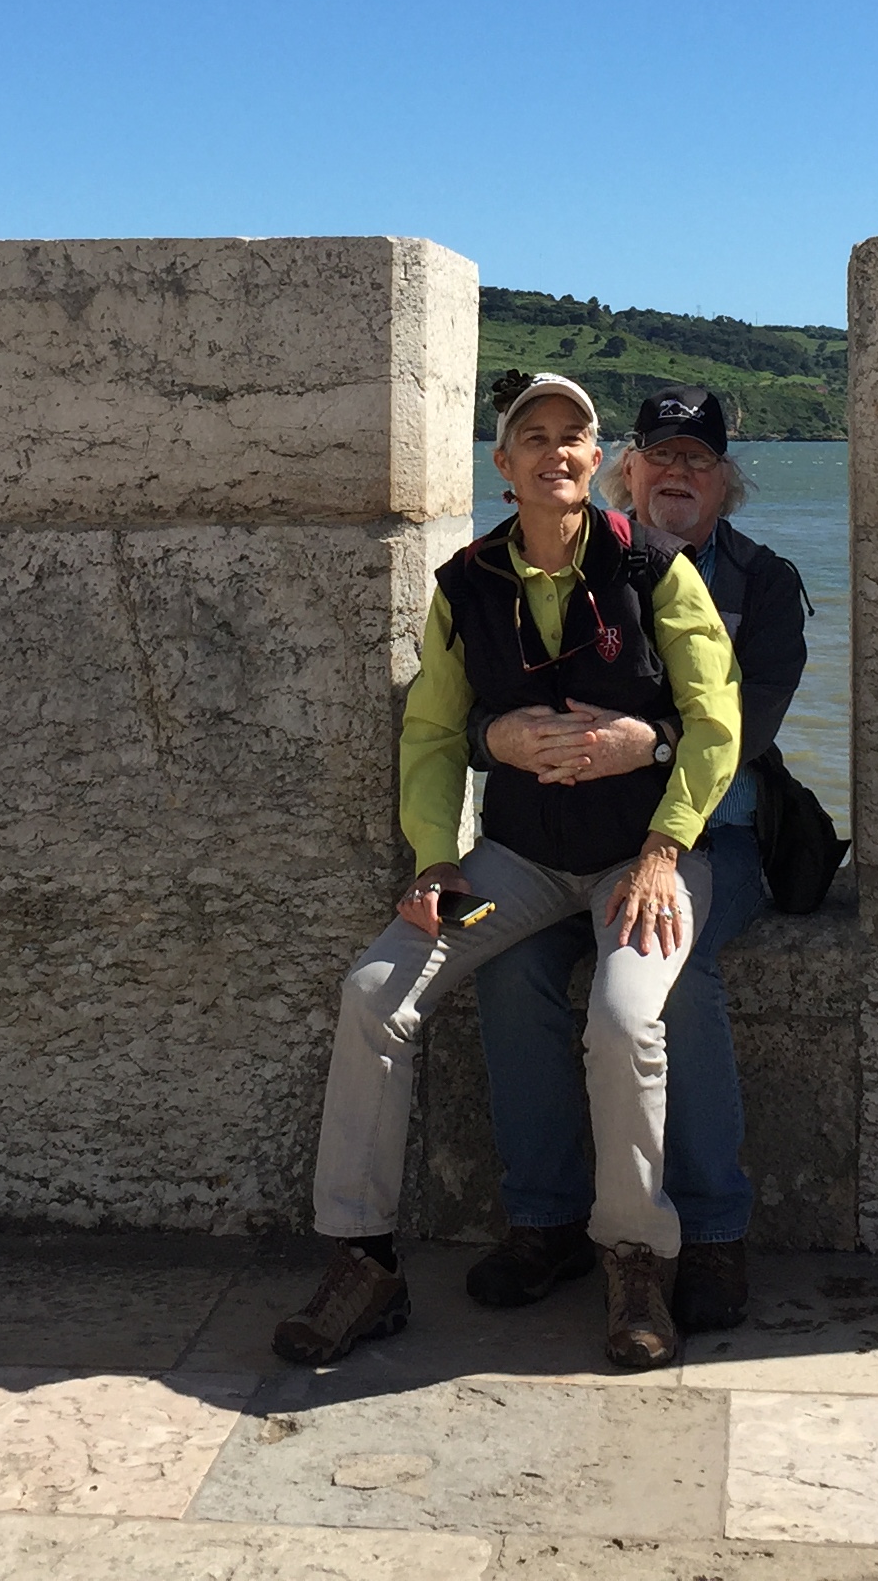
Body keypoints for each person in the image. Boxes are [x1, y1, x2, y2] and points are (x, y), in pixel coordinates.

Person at [274, 370, 742, 1373]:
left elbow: (716, 720)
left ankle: (634, 1259)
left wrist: (665, 846)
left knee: (625, 1016)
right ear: (504, 465)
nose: (555, 450)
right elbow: (435, 732)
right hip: (514, 867)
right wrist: (436, 858)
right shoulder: (465, 585)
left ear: (596, 461)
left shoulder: (655, 569)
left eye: (574, 435)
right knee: (374, 993)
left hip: (640, 864)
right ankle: (362, 1257)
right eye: (535, 435)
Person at [459, 385, 807, 1335]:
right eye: (661, 455)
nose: (678, 473)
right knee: (511, 968)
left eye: (699, 459)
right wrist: (505, 740)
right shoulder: (573, 563)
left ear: (726, 481)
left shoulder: (765, 586)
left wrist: (645, 750)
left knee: (676, 975)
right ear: (629, 470)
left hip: (712, 841)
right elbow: (487, 698)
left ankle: (714, 1228)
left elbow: (743, 733)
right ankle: (545, 1219)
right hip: (567, 844)